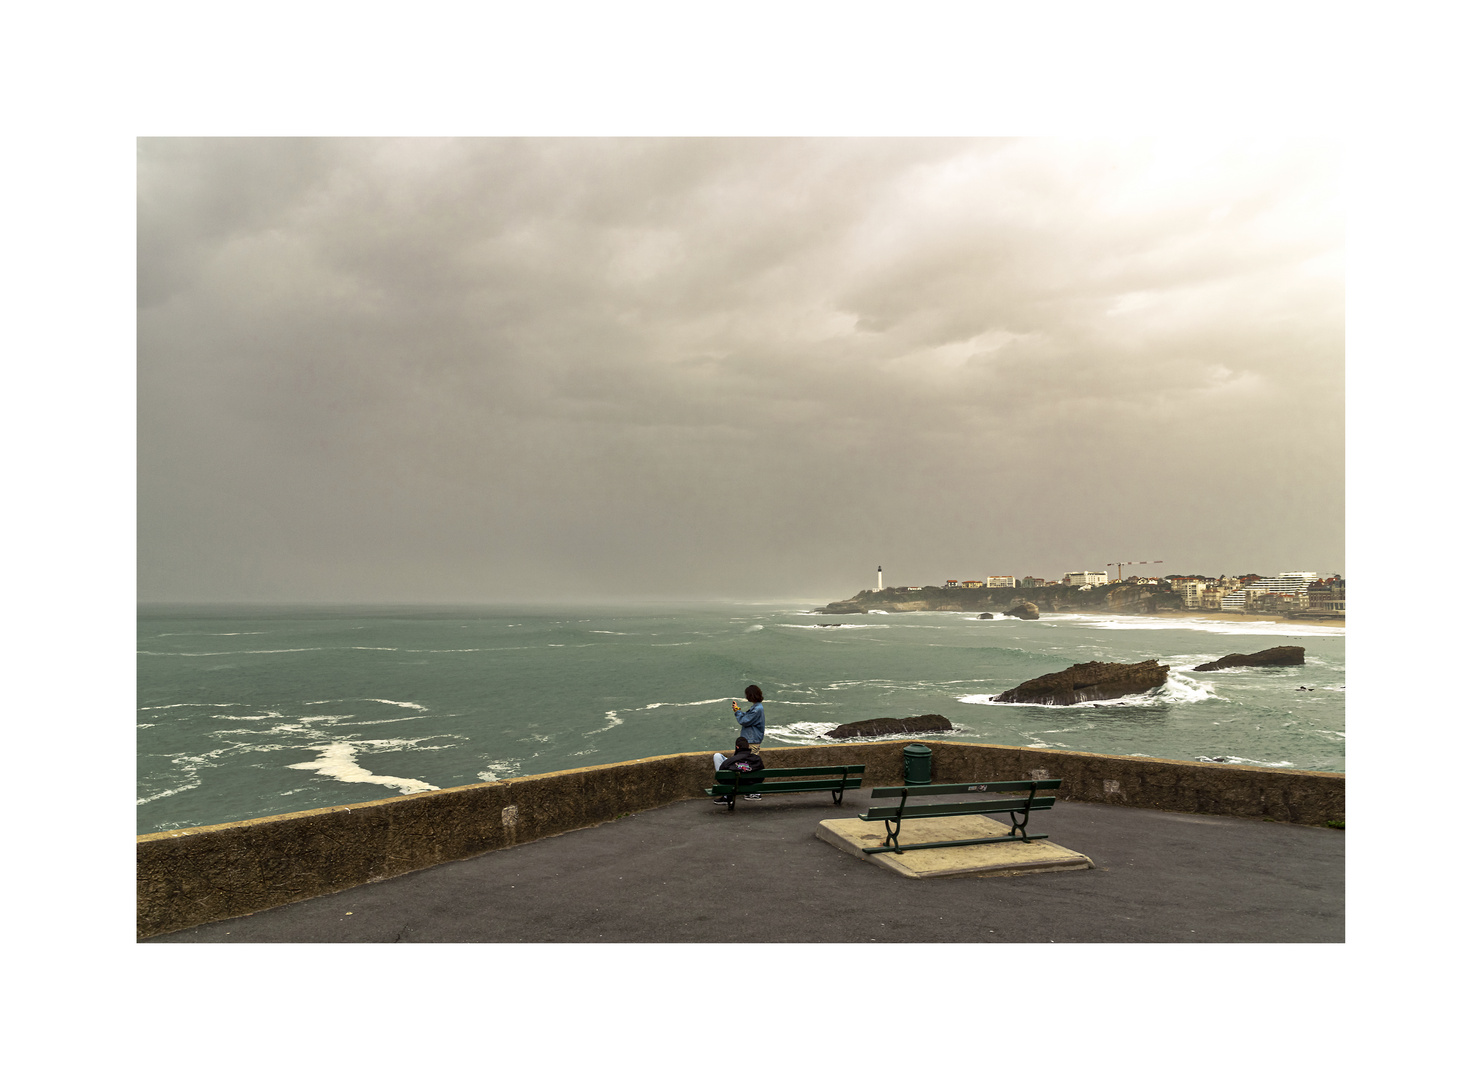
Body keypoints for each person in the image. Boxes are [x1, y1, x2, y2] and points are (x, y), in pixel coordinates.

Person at [712, 737, 765, 804]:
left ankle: (727, 797)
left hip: (735, 784)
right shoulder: (757, 759)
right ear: (748, 746)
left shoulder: (730, 761)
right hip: (751, 784)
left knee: (717, 756)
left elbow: (721, 777)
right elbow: (761, 777)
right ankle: (753, 794)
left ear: (737, 747)